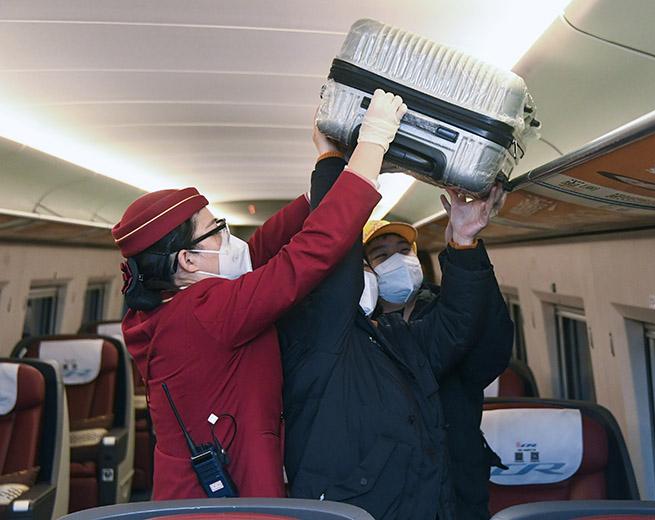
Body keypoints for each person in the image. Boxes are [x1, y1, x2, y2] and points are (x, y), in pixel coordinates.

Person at [111, 90, 406, 500]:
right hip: (225, 500)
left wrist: (333, 170)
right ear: (188, 260)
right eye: (217, 231)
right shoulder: (204, 311)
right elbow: (306, 256)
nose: (230, 239)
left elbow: (258, 251)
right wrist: (373, 141)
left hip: (196, 489)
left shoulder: (163, 310)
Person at [279, 143, 500, 520]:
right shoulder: (313, 339)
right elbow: (332, 255)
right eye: (369, 263)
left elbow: (456, 326)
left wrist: (463, 243)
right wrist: (333, 162)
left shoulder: (394, 336)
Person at [364, 197, 514, 520]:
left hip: (460, 482)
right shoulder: (360, 335)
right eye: (381, 255)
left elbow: (493, 349)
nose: (397, 260)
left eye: (403, 250)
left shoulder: (453, 309)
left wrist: (465, 250)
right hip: (393, 491)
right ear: (366, 271)